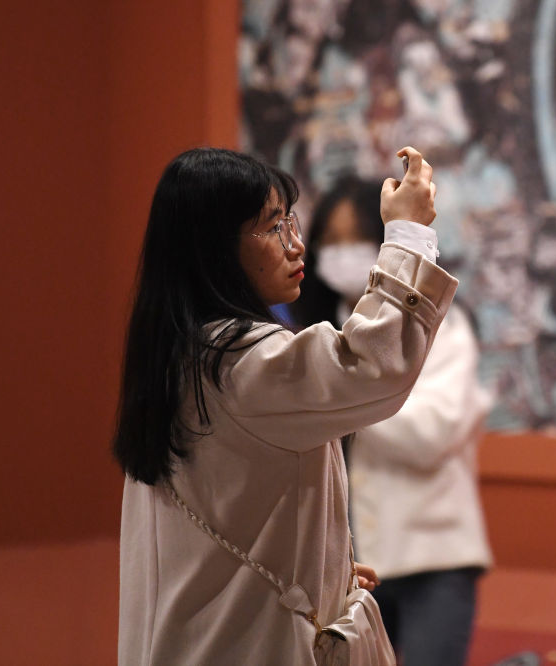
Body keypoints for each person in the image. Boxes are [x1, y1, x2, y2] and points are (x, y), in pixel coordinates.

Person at [113, 146, 454, 665]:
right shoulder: (237, 360)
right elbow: (375, 367)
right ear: (214, 247)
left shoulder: (181, 354)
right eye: (273, 228)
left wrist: (320, 565)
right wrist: (407, 234)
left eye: (291, 222)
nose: (296, 244)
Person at [290, 175, 493, 666]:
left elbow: (432, 433)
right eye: (331, 242)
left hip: (434, 556)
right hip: (346, 568)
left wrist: (339, 394)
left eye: (357, 239)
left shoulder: (439, 323)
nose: (343, 254)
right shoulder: (313, 334)